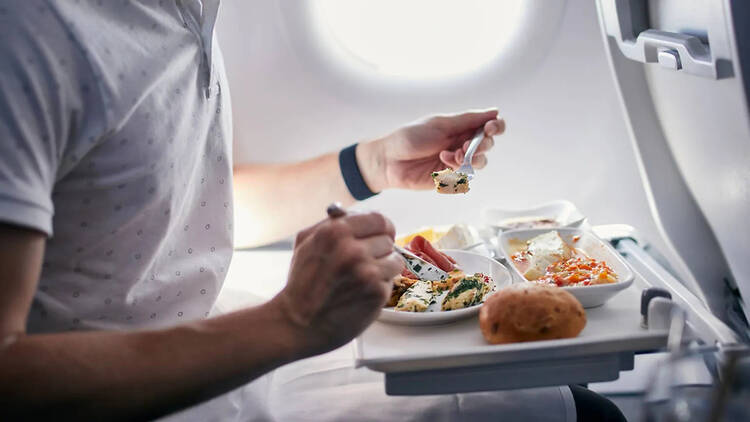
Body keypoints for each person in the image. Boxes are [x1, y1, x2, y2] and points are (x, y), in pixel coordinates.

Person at [0, 2, 625, 421]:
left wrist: (373, 165)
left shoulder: (189, 12)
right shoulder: (31, 36)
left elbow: (177, 210)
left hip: (227, 350)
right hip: (153, 395)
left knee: (572, 402)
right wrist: (290, 321)